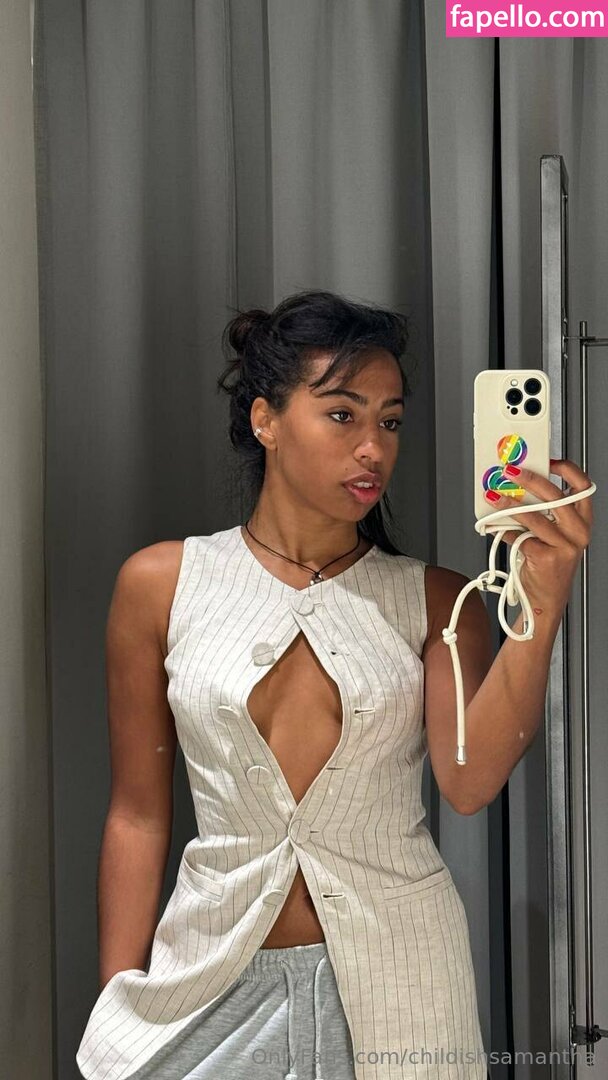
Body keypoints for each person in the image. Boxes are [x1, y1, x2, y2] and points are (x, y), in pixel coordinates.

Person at [77, 289, 490, 1080]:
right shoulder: (163, 584)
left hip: (403, 986)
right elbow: (136, 813)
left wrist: (545, 596)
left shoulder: (438, 600)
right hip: (211, 981)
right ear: (265, 420)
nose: (372, 447)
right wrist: (116, 1005)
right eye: (342, 415)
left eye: (390, 421)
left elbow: (470, 784)